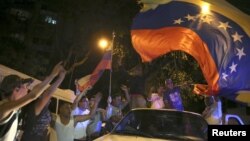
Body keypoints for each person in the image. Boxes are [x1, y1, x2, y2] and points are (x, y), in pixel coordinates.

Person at [0, 62, 63, 141]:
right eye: (26, 87)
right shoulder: (4, 107)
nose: (28, 90)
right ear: (16, 89)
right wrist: (52, 75)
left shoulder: (15, 109)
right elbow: (33, 95)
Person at [20, 65, 66, 141]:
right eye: (44, 94)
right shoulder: (35, 108)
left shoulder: (46, 111)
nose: (50, 98)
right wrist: (60, 78)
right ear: (40, 97)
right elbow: (48, 93)